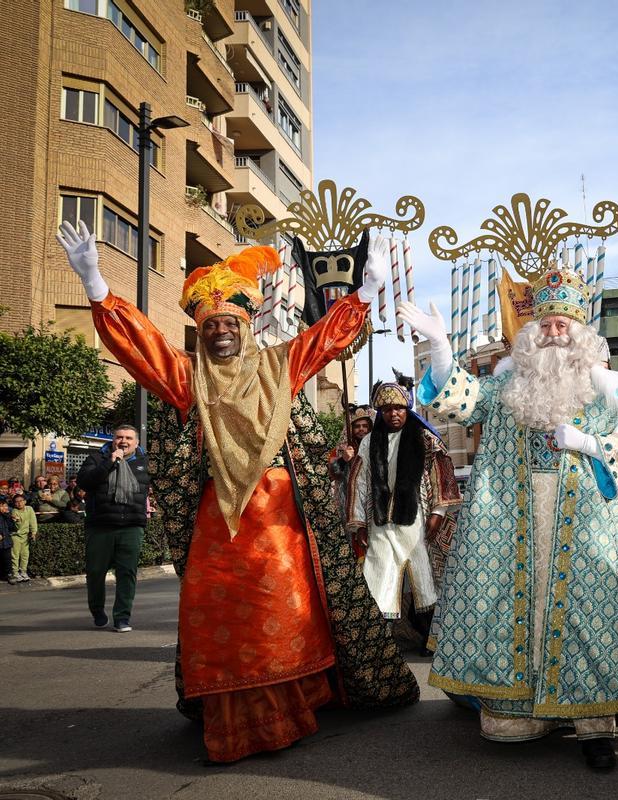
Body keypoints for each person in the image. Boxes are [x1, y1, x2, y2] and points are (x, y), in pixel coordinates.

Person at [56, 220, 420, 763]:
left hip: (279, 526)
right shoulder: (187, 377)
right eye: (210, 325)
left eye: (230, 321)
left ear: (246, 326)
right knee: (218, 617)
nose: (220, 331)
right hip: (217, 525)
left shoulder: (279, 365)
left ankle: (295, 706)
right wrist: (95, 287)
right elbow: (143, 349)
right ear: (199, 332)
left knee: (286, 613)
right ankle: (231, 722)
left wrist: (364, 294)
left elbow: (322, 342)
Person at [398, 266, 618, 772]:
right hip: (511, 518)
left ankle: (594, 725)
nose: (554, 333)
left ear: (581, 335)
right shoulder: (508, 386)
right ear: (532, 334)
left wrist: (589, 444)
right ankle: (522, 710)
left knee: (589, 617)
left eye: (564, 326)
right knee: (520, 614)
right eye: (547, 325)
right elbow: (463, 402)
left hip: (586, 522)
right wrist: (443, 347)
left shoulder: (607, 389)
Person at [350, 382, 460, 651]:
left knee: (423, 582)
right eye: (387, 409)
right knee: (377, 578)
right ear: (380, 412)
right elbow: (359, 482)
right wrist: (359, 522)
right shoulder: (368, 442)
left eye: (398, 408)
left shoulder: (424, 438)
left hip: (417, 522)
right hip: (380, 523)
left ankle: (430, 640)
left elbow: (440, 476)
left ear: (407, 408)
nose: (393, 414)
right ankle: (378, 644)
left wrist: (438, 512)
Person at [75, 424, 151, 631]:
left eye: (128, 438)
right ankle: (97, 610)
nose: (123, 441)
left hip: (132, 526)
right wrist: (109, 463)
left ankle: (122, 618)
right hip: (100, 526)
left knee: (127, 573)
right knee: (96, 572)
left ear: (136, 442)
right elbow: (85, 482)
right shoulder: (97, 459)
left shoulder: (146, 463)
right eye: (119, 437)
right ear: (113, 440)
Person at [329, 405, 373, 530]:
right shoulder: (341, 449)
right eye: (357, 426)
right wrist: (343, 460)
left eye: (365, 426)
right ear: (351, 429)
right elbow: (332, 474)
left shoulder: (377, 447)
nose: (361, 429)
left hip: (371, 499)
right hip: (349, 500)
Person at [9, 493, 37, 582]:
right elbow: (18, 526)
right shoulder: (14, 511)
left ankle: (23, 572)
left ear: (25, 501)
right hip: (15, 536)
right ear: (14, 503)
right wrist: (16, 520)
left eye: (21, 501)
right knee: (15, 555)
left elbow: (33, 521)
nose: (19, 503)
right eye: (16, 502)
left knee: (25, 555)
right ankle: (15, 573)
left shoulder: (29, 509)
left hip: (26, 536)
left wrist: (33, 532)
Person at [0, 498, 14, 583]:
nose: (4, 507)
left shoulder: (7, 516)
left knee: (7, 559)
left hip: (6, 542)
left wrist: (8, 516)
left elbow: (12, 527)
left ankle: (9, 574)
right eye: (1, 506)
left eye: (5, 505)